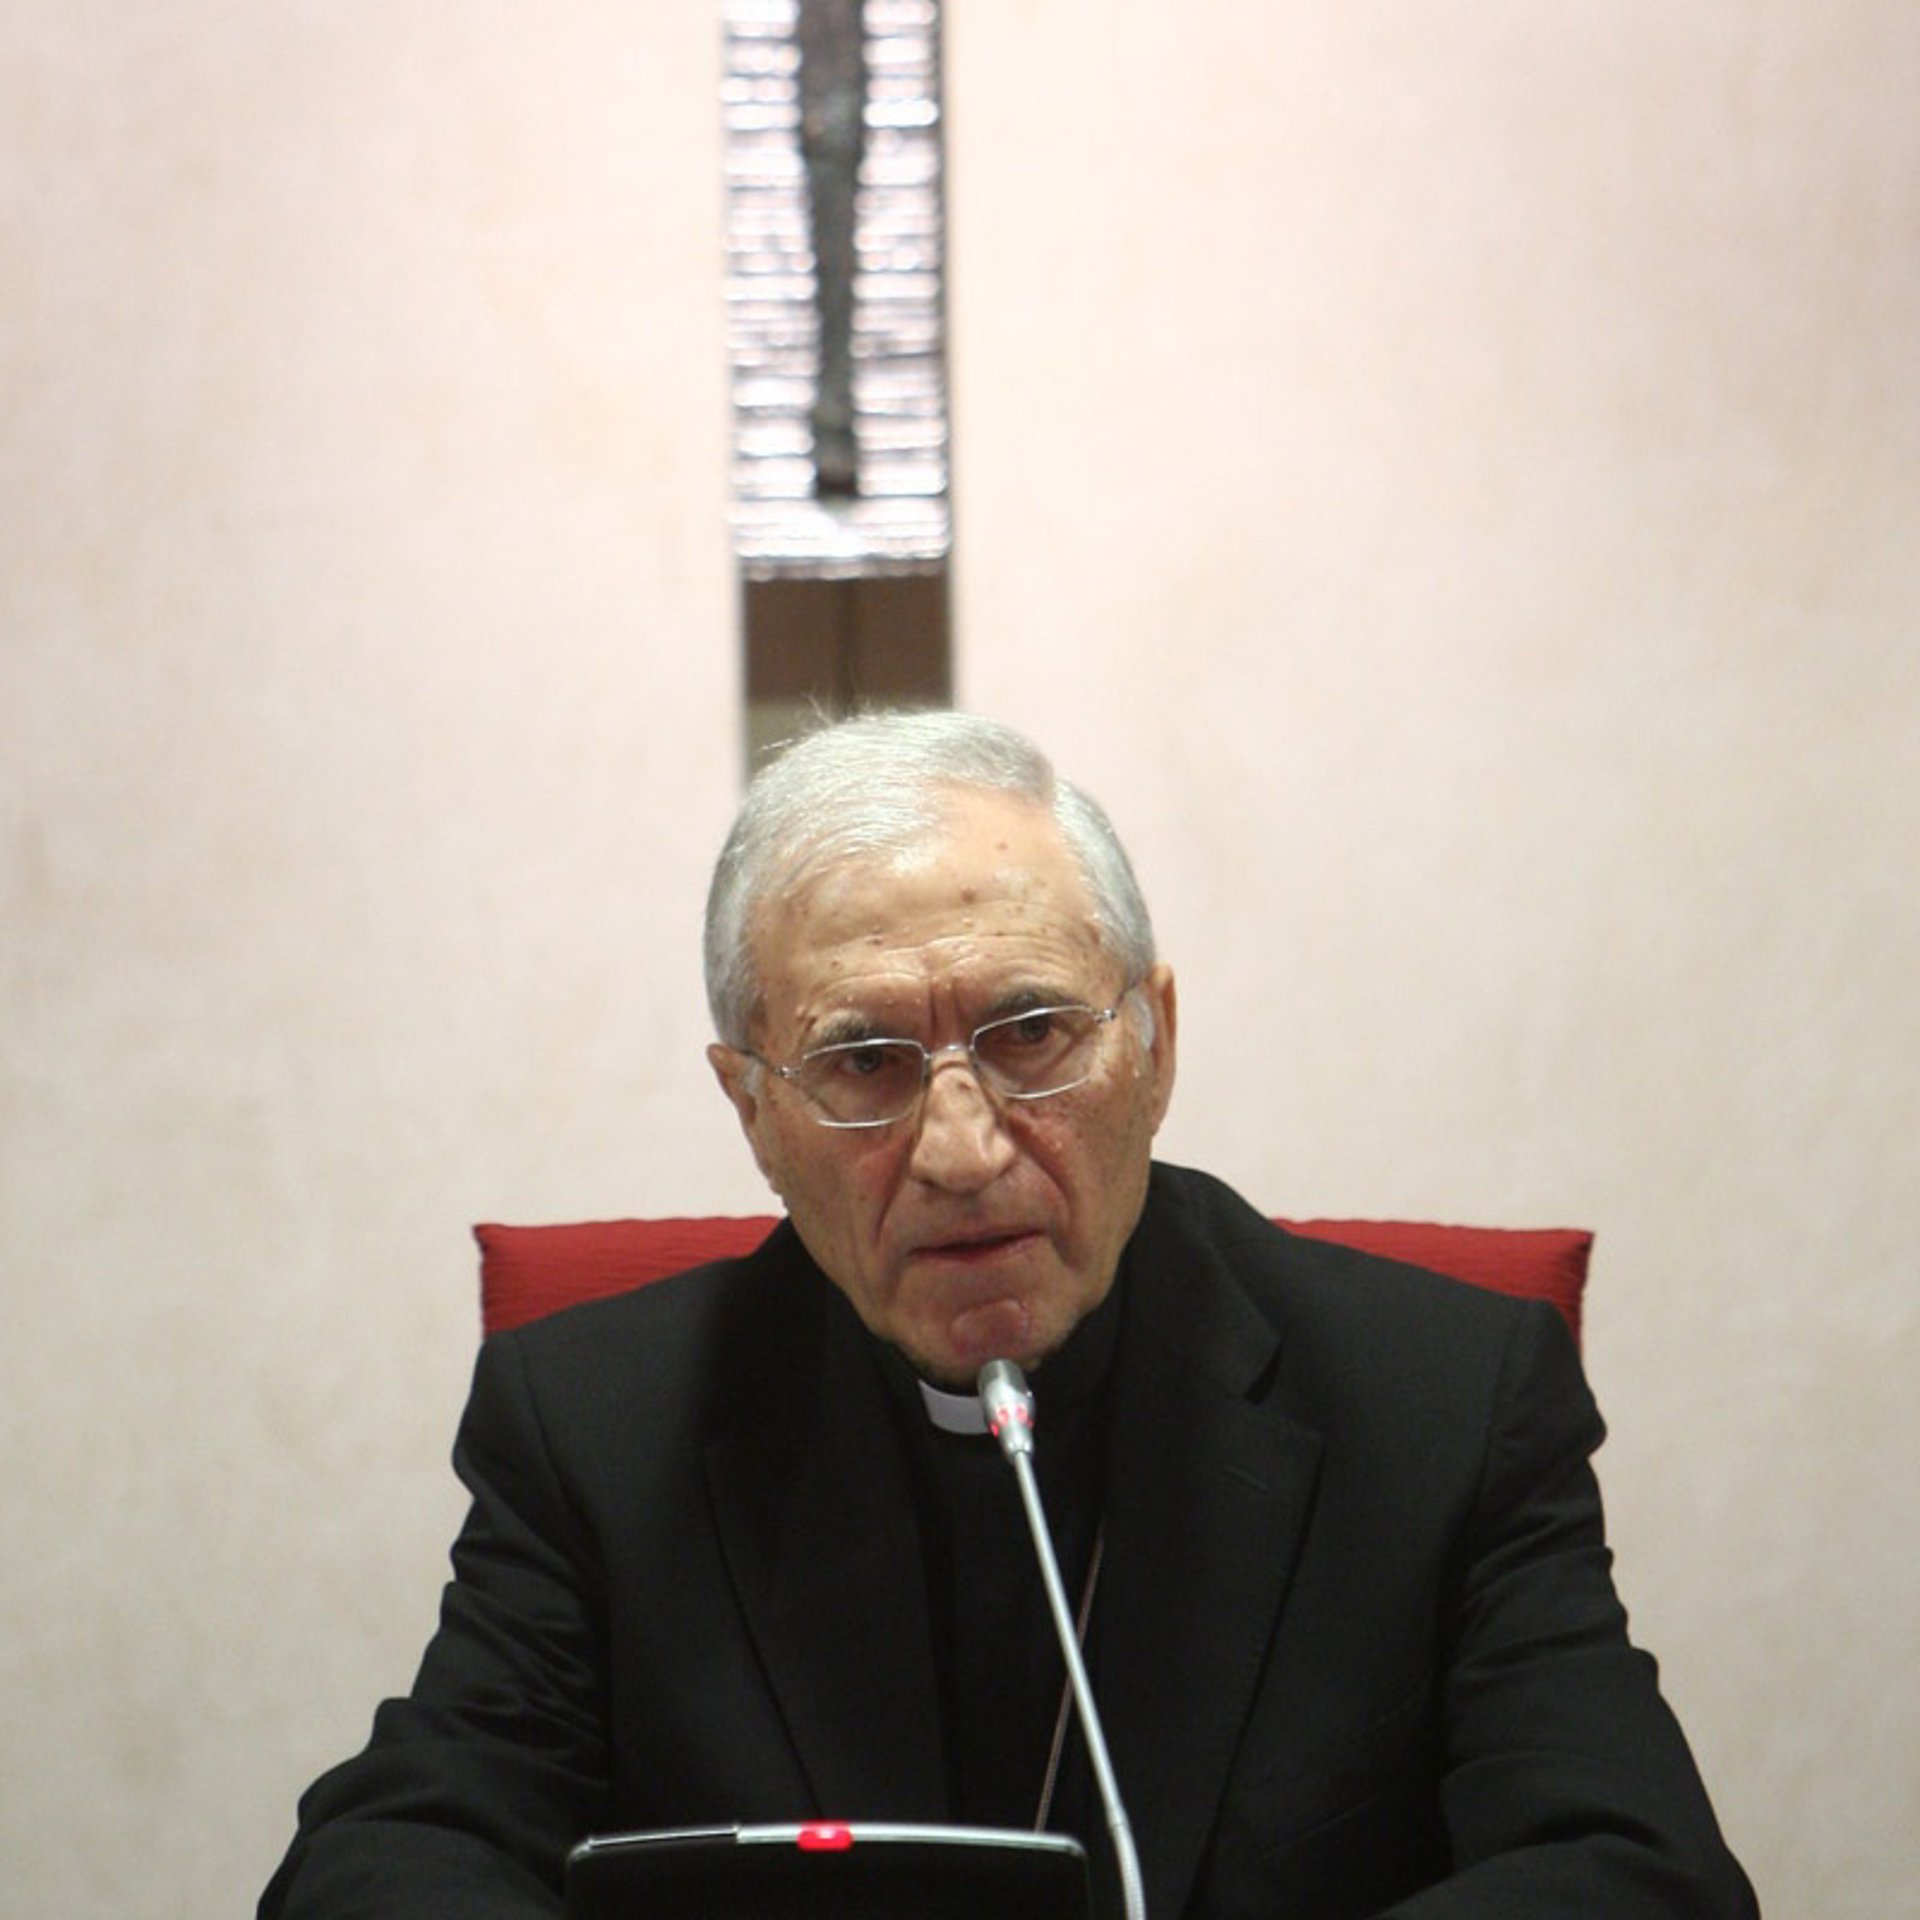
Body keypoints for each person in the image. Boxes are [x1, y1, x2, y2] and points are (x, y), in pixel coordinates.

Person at [261, 710, 1757, 1918]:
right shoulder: (599, 1429)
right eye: (864, 1062)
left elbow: (1636, 1874)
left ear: (1154, 1044)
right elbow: (386, 1863)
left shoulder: (1438, 1401)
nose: (963, 1150)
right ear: (754, 1111)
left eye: (1031, 1033)